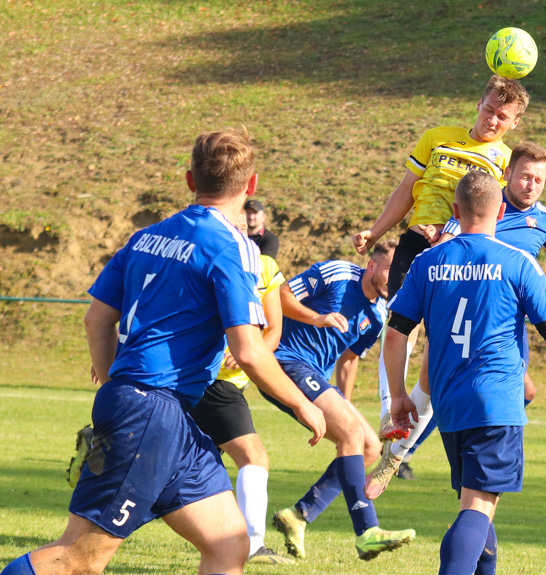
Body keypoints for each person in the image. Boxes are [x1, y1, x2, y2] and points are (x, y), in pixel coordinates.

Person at [0, 128, 326, 575]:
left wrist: (115, 385)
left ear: (190, 180)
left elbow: (96, 319)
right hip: (153, 412)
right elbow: (248, 350)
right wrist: (302, 404)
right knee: (77, 559)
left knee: (229, 545)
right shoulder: (235, 250)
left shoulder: (145, 237)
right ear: (251, 186)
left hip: (166, 415)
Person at [371, 141, 546, 485]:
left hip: (502, 327)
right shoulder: (481, 204)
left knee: (525, 393)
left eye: (539, 179)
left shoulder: (545, 221)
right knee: (431, 387)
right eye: (525, 176)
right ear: (508, 173)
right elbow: (447, 248)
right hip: (458, 317)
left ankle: (466, 451)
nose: (531, 185)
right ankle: (397, 455)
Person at [384, 170, 546, 575]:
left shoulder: (427, 262)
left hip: (448, 405)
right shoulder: (518, 263)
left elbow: (395, 337)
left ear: (455, 211)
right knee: (478, 508)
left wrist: (398, 396)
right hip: (495, 403)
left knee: (474, 503)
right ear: (499, 210)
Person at [352, 74, 531, 444]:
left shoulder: (504, 160)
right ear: (479, 105)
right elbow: (406, 190)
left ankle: (405, 442)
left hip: (460, 256)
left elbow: (486, 208)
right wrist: (376, 231)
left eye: (503, 116)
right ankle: (392, 411)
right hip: (416, 246)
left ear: (515, 123)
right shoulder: (437, 138)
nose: (493, 120)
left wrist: (450, 231)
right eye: (490, 109)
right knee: (400, 326)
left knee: (441, 342)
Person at [261, 239, 416, 562]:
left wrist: (344, 401)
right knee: (350, 434)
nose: (395, 278)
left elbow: (349, 359)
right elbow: (279, 296)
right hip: (284, 359)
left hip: (316, 374)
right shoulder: (337, 273)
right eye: (390, 270)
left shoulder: (378, 315)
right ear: (372, 266)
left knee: (371, 447)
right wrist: (317, 318)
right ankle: (366, 530)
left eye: (401, 273)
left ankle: (300, 514)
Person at [187, 215, 292, 565]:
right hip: (211, 380)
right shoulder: (207, 258)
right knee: (253, 456)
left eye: (245, 228)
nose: (239, 232)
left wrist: (249, 348)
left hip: (226, 382)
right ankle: (252, 543)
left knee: (186, 465)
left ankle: (108, 453)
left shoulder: (264, 266)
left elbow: (274, 329)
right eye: (233, 227)